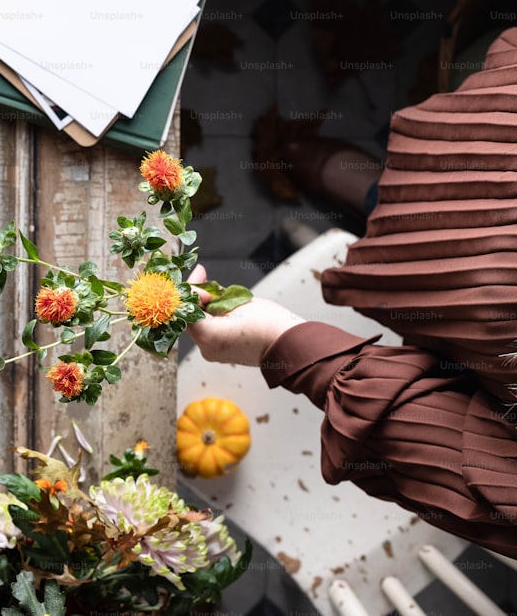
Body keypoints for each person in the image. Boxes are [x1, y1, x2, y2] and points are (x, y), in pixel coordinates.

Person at [185, 28, 517, 560]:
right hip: (495, 159)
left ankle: (372, 198)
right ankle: (376, 193)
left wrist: (285, 343)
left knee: (418, 228)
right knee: (427, 195)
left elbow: (478, 469)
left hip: (473, 312)